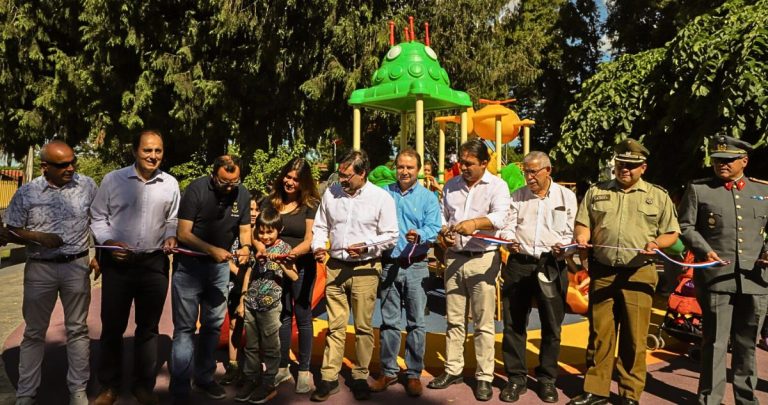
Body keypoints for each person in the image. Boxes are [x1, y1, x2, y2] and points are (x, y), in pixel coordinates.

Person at [568, 138, 680, 405]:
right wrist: (582, 237)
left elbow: (672, 233)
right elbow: (583, 223)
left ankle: (629, 394)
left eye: (631, 165)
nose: (624, 170)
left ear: (643, 167)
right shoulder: (597, 192)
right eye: (620, 164)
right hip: (603, 271)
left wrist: (656, 243)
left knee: (634, 337)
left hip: (639, 273)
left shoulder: (658, 196)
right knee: (600, 334)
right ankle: (596, 390)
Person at [90, 130, 180, 405]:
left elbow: (172, 219)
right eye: (147, 150)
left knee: (148, 329)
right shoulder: (113, 180)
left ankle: (143, 386)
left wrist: (170, 235)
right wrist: (108, 242)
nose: (153, 156)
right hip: (118, 265)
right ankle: (109, 386)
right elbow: (97, 217)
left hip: (154, 263)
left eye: (158, 151)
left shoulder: (171, 184)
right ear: (135, 152)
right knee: (112, 327)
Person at [4, 141, 97, 405]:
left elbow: (100, 221)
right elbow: (7, 230)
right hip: (40, 268)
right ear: (45, 167)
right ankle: (26, 394)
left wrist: (100, 256)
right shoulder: (26, 193)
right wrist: (36, 237)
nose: (70, 168)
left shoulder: (87, 185)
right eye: (62, 165)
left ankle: (77, 390)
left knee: (77, 330)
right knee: (34, 333)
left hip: (76, 266)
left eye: (73, 162)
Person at [677, 135, 768, 405]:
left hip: (755, 280)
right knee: (714, 343)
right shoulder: (700, 190)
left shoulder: (763, 192)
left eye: (728, 160)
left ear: (744, 161)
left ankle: (746, 399)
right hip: (716, 278)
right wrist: (705, 249)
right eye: (717, 160)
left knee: (747, 344)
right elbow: (685, 226)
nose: (721, 165)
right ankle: (710, 400)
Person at [310, 150, 398, 401]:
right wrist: (318, 246)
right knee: (335, 326)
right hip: (335, 266)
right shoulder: (331, 192)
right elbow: (321, 226)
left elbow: (392, 235)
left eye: (348, 176)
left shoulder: (381, 198)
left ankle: (359, 376)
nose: (342, 180)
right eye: (341, 174)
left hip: (366, 269)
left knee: (362, 327)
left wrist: (366, 245)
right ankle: (328, 377)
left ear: (362, 174)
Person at [427, 138, 511, 401]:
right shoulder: (451, 186)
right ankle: (453, 368)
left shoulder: (497, 186)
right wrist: (444, 234)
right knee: (454, 319)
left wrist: (474, 223)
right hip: (454, 257)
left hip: (483, 258)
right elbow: (441, 217)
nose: (462, 167)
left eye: (469, 163)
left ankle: (484, 376)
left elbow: (500, 217)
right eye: (461, 162)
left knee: (483, 321)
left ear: (484, 163)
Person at [169, 155, 252, 402]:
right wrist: (211, 250)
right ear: (213, 174)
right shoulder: (196, 189)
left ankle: (204, 378)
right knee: (184, 329)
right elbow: (183, 233)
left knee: (212, 326)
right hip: (190, 266)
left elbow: (245, 230)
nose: (229, 187)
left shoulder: (243, 194)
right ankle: (180, 388)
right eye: (224, 182)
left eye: (234, 182)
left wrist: (246, 247)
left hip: (220, 269)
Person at [498, 151, 577, 403]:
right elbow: (508, 226)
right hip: (520, 264)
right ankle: (516, 378)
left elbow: (572, 232)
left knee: (552, 326)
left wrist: (564, 247)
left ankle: (546, 379)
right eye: (526, 172)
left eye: (534, 172)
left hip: (552, 264)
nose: (529, 177)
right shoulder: (517, 196)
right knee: (514, 324)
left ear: (548, 171)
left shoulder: (567, 197)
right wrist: (509, 240)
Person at [370, 148, 441, 397]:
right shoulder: (383, 194)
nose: (405, 171)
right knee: (389, 321)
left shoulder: (428, 198)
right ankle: (388, 371)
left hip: (417, 265)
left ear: (418, 170)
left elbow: (435, 226)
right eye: (401, 166)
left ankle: (413, 374)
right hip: (389, 264)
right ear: (395, 167)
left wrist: (420, 234)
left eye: (410, 167)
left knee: (416, 323)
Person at [261, 157, 320, 394]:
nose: (290, 182)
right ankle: (283, 366)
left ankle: (303, 370)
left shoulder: (310, 204)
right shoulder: (270, 201)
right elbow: (259, 232)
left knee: (303, 316)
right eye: (288, 176)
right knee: (282, 316)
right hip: (276, 269)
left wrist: (291, 254)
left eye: (296, 179)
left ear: (303, 183)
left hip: (301, 266)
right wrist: (263, 250)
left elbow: (310, 239)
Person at [235, 208, 299, 403]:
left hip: (270, 307)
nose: (265, 236)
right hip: (251, 303)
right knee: (251, 346)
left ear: (279, 230)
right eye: (261, 232)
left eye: (269, 232)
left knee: (271, 346)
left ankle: (269, 382)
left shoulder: (284, 248)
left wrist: (280, 263)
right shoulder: (257, 247)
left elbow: (294, 276)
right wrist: (242, 300)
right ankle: (251, 378)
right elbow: (248, 273)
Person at [219, 190, 263, 387]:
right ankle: (234, 364)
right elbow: (226, 256)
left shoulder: (265, 232)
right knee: (235, 323)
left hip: (259, 285)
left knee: (257, 326)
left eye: (257, 209)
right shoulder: (236, 230)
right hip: (235, 282)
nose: (253, 213)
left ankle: (254, 368)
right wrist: (238, 271)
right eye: (250, 208)